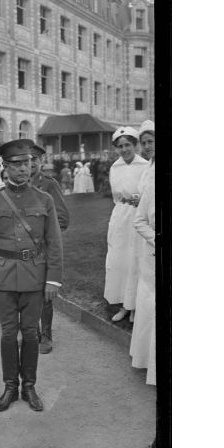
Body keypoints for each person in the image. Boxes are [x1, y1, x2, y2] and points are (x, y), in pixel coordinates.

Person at [0, 139, 64, 412]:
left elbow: (54, 243)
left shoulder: (44, 199)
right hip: (2, 278)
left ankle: (30, 387)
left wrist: (52, 280)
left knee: (31, 334)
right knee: (7, 334)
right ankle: (10, 386)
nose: (24, 169)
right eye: (17, 164)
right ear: (6, 167)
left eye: (27, 163)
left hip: (35, 278)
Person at [103, 127, 148, 322]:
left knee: (136, 259)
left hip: (139, 217)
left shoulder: (145, 166)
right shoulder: (115, 167)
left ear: (135, 145)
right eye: (120, 146)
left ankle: (135, 307)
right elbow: (116, 196)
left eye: (128, 145)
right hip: (120, 217)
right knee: (119, 260)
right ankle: (122, 305)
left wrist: (138, 201)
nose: (124, 149)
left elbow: (148, 194)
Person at [30, 143, 69, 354]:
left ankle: (46, 336)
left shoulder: (49, 184)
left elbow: (63, 218)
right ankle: (32, 334)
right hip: (21, 252)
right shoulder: (16, 186)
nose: (30, 164)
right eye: (26, 160)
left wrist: (48, 238)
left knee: (45, 295)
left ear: (40, 162)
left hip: (43, 250)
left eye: (34, 160)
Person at [130, 120, 156, 385]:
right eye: (145, 142)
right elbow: (143, 213)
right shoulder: (149, 169)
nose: (148, 147)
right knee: (149, 300)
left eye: (152, 141)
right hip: (150, 243)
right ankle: (145, 357)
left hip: (149, 235)